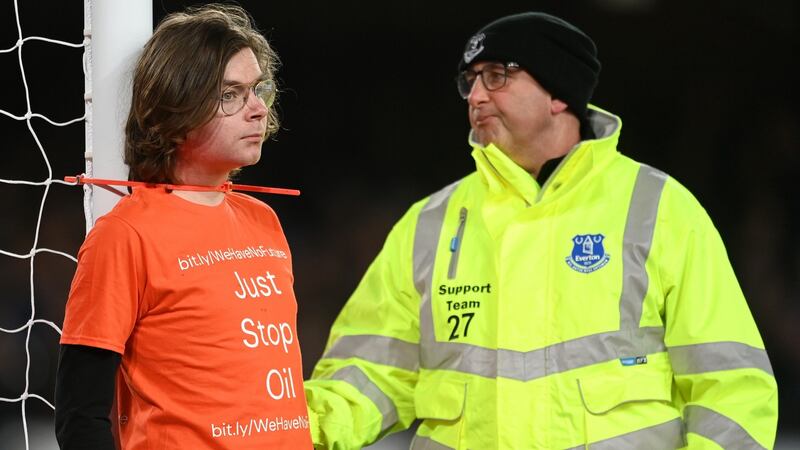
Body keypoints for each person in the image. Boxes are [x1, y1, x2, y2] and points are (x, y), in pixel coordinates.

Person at [304, 12, 778, 450]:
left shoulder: (659, 207)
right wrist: (279, 426)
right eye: (469, 81)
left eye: (496, 76)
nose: (475, 96)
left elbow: (731, 385)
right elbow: (368, 374)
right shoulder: (428, 223)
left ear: (558, 94)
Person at [55, 4, 312, 449]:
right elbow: (80, 418)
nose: (257, 109)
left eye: (258, 90)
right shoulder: (125, 236)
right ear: (176, 110)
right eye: (230, 94)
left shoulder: (263, 220)